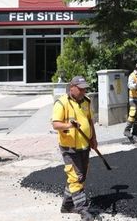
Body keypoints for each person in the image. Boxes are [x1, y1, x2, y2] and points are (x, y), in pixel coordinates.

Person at [51, 76, 99, 221]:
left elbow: (90, 121)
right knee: (75, 177)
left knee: (81, 176)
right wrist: (70, 125)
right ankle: (83, 210)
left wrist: (93, 139)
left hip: (84, 145)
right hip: (69, 147)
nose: (83, 91)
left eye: (84, 88)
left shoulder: (86, 102)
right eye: (80, 88)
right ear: (71, 87)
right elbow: (56, 124)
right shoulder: (62, 103)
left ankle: (67, 205)